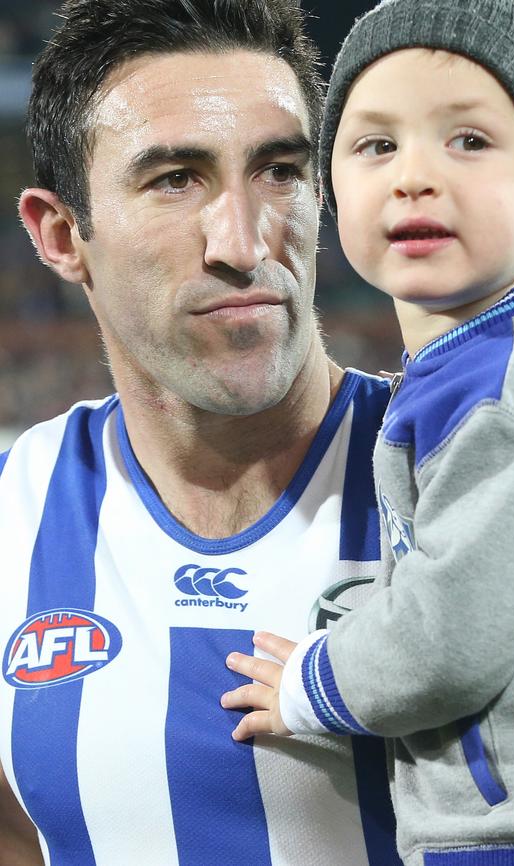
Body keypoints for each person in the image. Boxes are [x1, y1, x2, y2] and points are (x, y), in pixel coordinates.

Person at [221, 0, 514, 863]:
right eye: (377, 145)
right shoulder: (487, 362)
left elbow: (447, 644)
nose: (414, 176)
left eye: (470, 141)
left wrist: (312, 681)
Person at [0, 0, 404, 863]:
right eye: (174, 179)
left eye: (279, 170)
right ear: (62, 233)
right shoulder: (13, 511)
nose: (244, 241)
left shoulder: (466, 476)